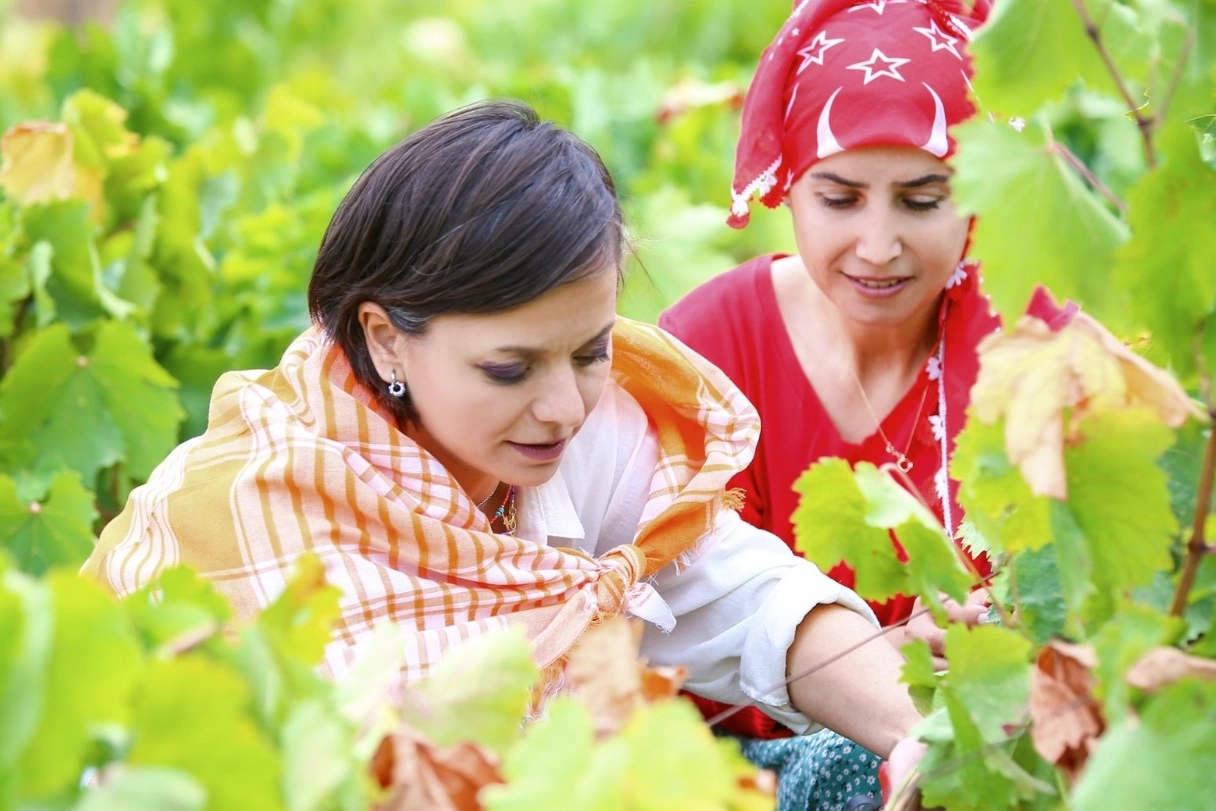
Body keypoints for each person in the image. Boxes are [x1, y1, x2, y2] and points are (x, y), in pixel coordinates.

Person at [81, 99, 928, 796]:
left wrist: (915, 726)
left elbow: (739, 592)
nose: (563, 407)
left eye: (590, 351)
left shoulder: (584, 438)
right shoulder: (252, 512)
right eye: (509, 367)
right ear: (385, 341)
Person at [658, 0, 1029, 807]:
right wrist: (876, 664)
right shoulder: (708, 349)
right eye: (840, 197)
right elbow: (665, 624)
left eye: (923, 200)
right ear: (789, 186)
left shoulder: (1024, 347)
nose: (879, 245)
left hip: (973, 742)